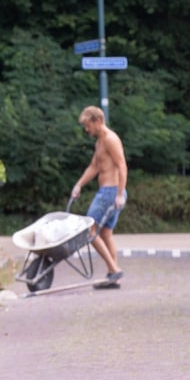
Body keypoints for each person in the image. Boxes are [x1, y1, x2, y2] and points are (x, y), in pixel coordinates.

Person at [70, 106, 127, 286]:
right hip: (108, 192)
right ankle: (113, 276)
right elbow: (94, 167)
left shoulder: (110, 139)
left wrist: (120, 194)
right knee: (106, 233)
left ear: (98, 121)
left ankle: (114, 270)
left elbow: (122, 165)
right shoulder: (100, 142)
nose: (87, 129)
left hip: (110, 192)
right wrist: (79, 184)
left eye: (88, 125)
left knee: (89, 231)